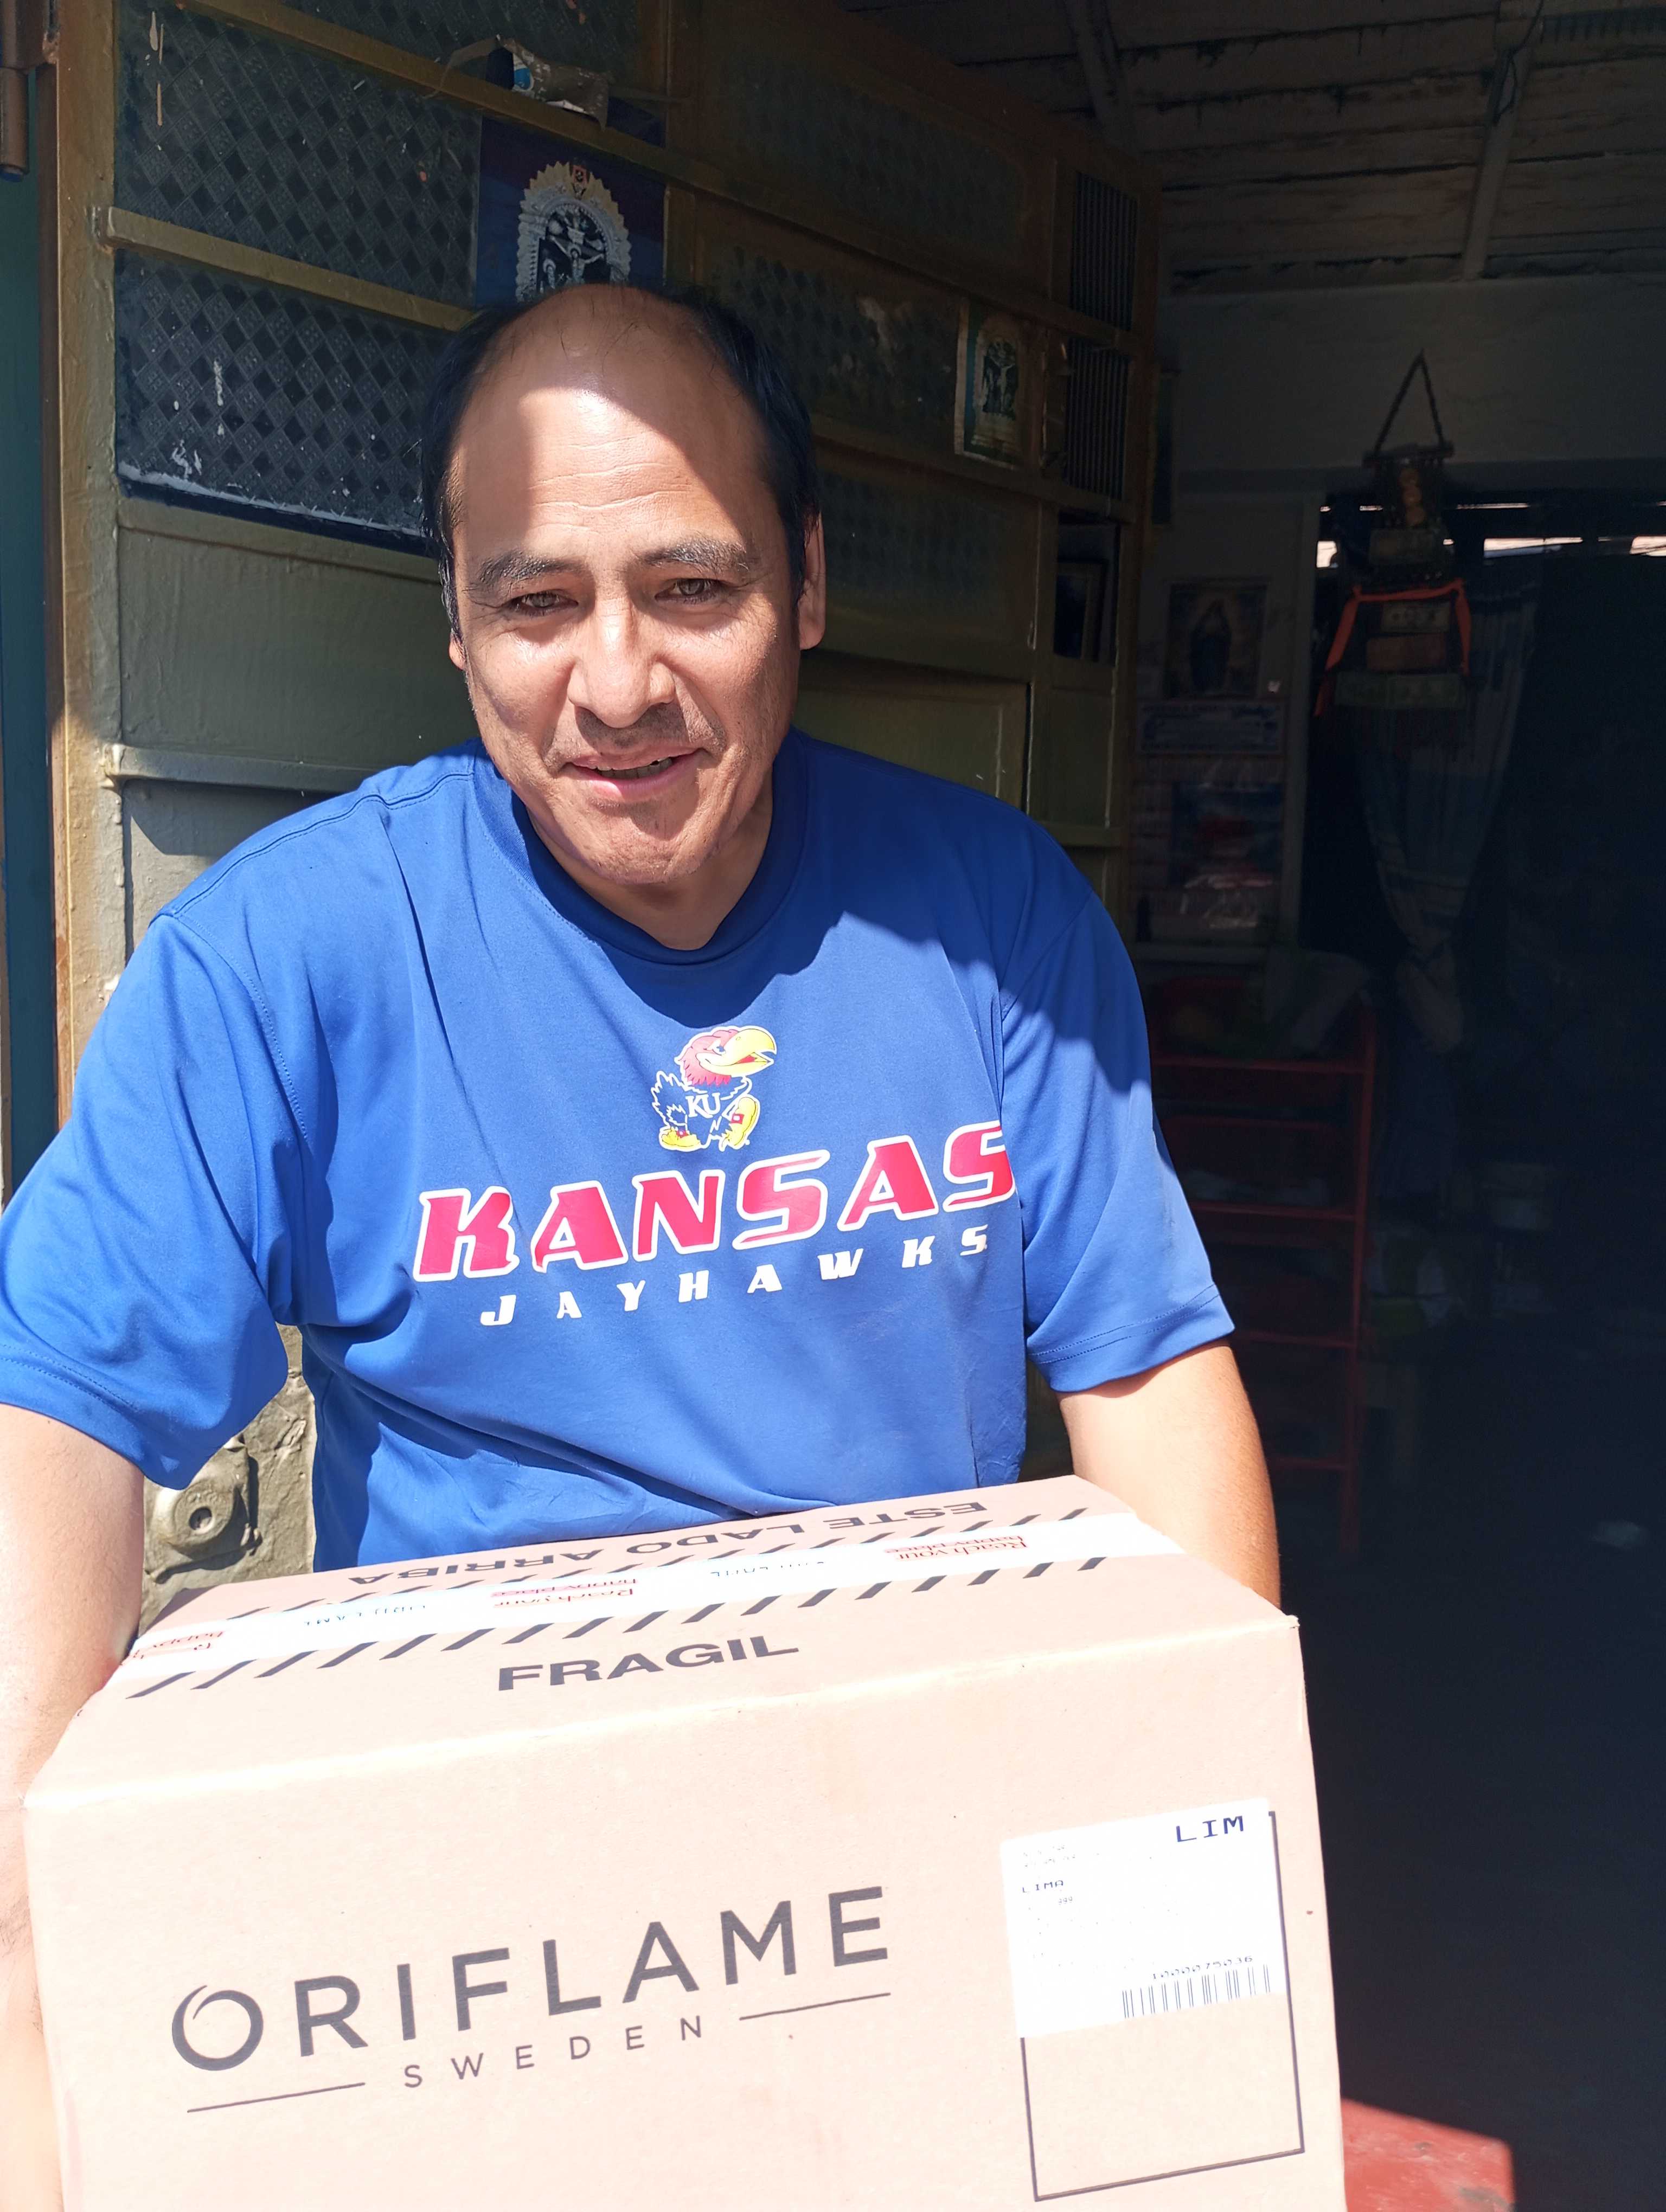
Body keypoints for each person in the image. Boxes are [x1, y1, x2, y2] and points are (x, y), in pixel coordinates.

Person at [0, 284, 1274, 2205]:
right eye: (537, 603)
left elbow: (1149, 1374)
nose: (616, 687)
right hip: (472, 1935)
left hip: (903, 1837)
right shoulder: (285, 959)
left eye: (692, 588)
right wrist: (30, 1973)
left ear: (805, 586)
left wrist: (1204, 1867)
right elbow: (55, 1417)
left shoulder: (992, 921)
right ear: (454, 620)